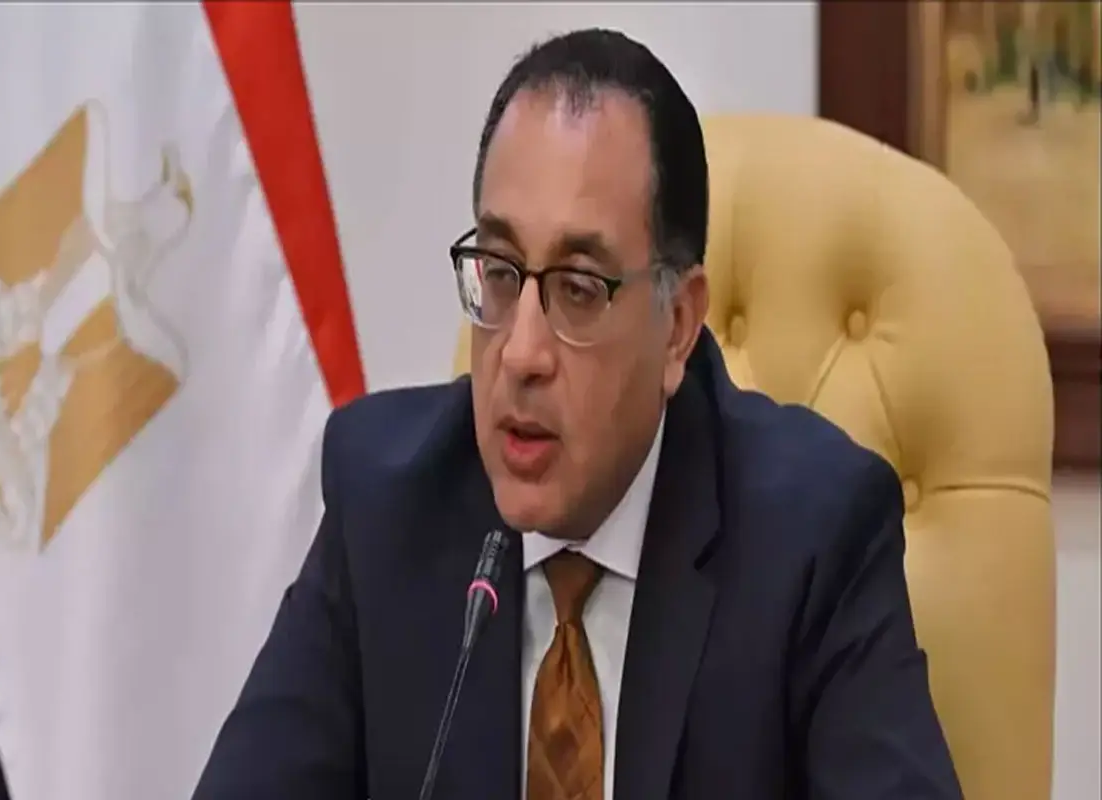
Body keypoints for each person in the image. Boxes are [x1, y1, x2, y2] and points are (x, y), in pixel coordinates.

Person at [193, 28, 963, 800]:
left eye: (580, 289)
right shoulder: (384, 503)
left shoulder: (812, 539)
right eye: (500, 273)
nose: (521, 353)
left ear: (678, 325)